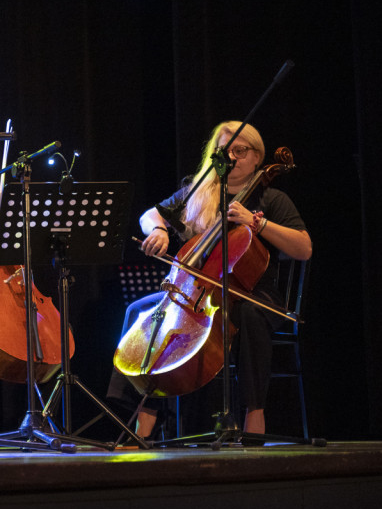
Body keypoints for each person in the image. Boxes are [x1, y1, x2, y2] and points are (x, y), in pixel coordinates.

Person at [108, 120, 313, 438]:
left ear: (257, 157)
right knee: (139, 311)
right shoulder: (198, 191)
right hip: (198, 294)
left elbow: (304, 248)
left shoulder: (272, 199)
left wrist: (257, 223)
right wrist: (159, 230)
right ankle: (143, 423)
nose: (230, 157)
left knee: (249, 314)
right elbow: (149, 215)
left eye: (240, 150)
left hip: (254, 294)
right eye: (223, 151)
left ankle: (254, 415)